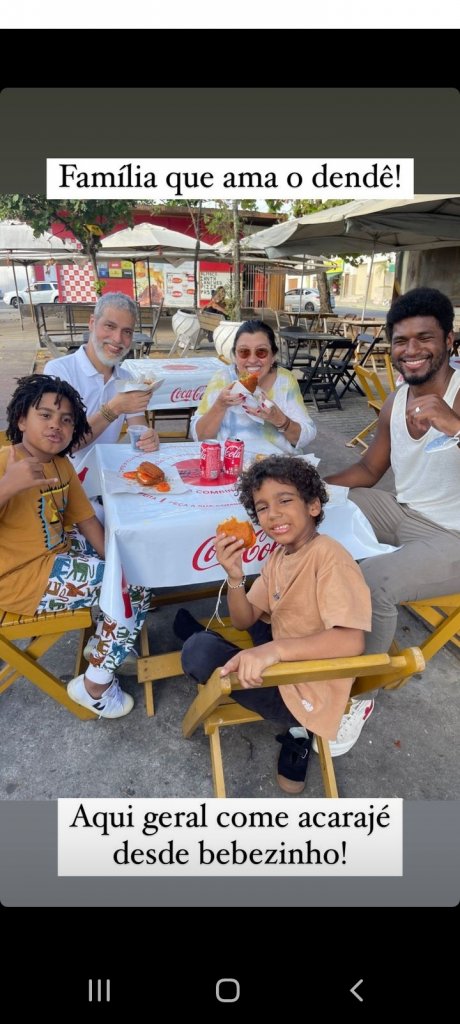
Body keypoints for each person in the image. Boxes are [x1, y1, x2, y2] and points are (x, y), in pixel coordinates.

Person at [177, 456, 371, 793]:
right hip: (289, 642)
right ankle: (214, 641)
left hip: (309, 685)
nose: (273, 514)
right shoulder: (279, 557)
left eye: (285, 500)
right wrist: (234, 576)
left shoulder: (331, 557)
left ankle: (299, 728)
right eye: (263, 507)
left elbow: (352, 641)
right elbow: (244, 620)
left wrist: (273, 650)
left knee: (198, 651)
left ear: (313, 506)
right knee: (259, 618)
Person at [324, 286, 460, 753]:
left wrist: (456, 426)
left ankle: (358, 695)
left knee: (374, 581)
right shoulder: (397, 400)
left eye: (425, 337)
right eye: (401, 340)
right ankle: (313, 624)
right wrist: (309, 487)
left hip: (453, 535)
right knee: (314, 512)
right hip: (403, 511)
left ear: (449, 340)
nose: (411, 349)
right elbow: (368, 470)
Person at [0, 374, 151, 719]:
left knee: (132, 568)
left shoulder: (61, 464)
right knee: (133, 586)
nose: (56, 425)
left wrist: (118, 566)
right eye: (45, 415)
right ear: (21, 420)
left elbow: (87, 521)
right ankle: (95, 685)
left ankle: (104, 642)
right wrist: (8, 485)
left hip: (55, 556)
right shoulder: (6, 461)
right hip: (18, 580)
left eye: (66, 420)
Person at [45, 292, 160, 479]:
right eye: (110, 326)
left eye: (127, 332)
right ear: (92, 323)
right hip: (65, 482)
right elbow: (62, 444)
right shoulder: (59, 371)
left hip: (108, 477)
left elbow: (139, 429)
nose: (117, 339)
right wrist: (114, 408)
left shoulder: (127, 378)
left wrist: (148, 438)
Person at [190, 319, 317, 454]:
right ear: (235, 356)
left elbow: (305, 437)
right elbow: (200, 437)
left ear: (273, 357)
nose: (252, 360)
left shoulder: (285, 380)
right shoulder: (222, 378)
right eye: (244, 352)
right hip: (231, 462)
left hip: (278, 463)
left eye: (261, 352)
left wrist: (279, 419)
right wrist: (219, 406)